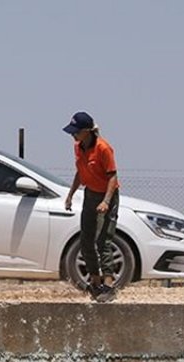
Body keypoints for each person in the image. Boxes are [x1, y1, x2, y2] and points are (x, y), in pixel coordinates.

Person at [62, 111, 120, 303]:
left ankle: (109, 286)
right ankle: (95, 283)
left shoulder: (104, 148)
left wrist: (106, 201)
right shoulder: (78, 147)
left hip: (107, 196)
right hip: (90, 194)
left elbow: (112, 176)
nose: (73, 135)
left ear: (87, 131)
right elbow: (80, 172)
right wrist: (71, 194)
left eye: (76, 132)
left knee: (104, 240)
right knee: (86, 240)